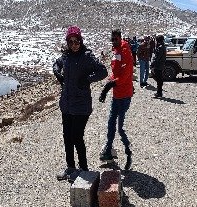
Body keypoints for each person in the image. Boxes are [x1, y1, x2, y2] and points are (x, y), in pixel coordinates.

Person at [52, 26, 108, 181]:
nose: (74, 44)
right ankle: (70, 168)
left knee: (77, 136)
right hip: (67, 104)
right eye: (71, 41)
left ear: (80, 41)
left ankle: (83, 168)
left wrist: (88, 79)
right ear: (68, 42)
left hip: (81, 105)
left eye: (76, 41)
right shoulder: (66, 56)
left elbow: (103, 71)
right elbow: (56, 64)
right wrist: (57, 72)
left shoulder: (87, 56)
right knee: (67, 137)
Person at [99, 29, 135, 170]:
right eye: (112, 39)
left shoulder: (125, 51)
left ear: (120, 38)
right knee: (110, 123)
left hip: (124, 95)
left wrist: (108, 86)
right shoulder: (116, 51)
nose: (114, 41)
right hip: (116, 94)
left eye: (116, 38)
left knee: (120, 128)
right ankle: (108, 151)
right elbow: (115, 73)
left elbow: (125, 76)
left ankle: (128, 152)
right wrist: (108, 82)